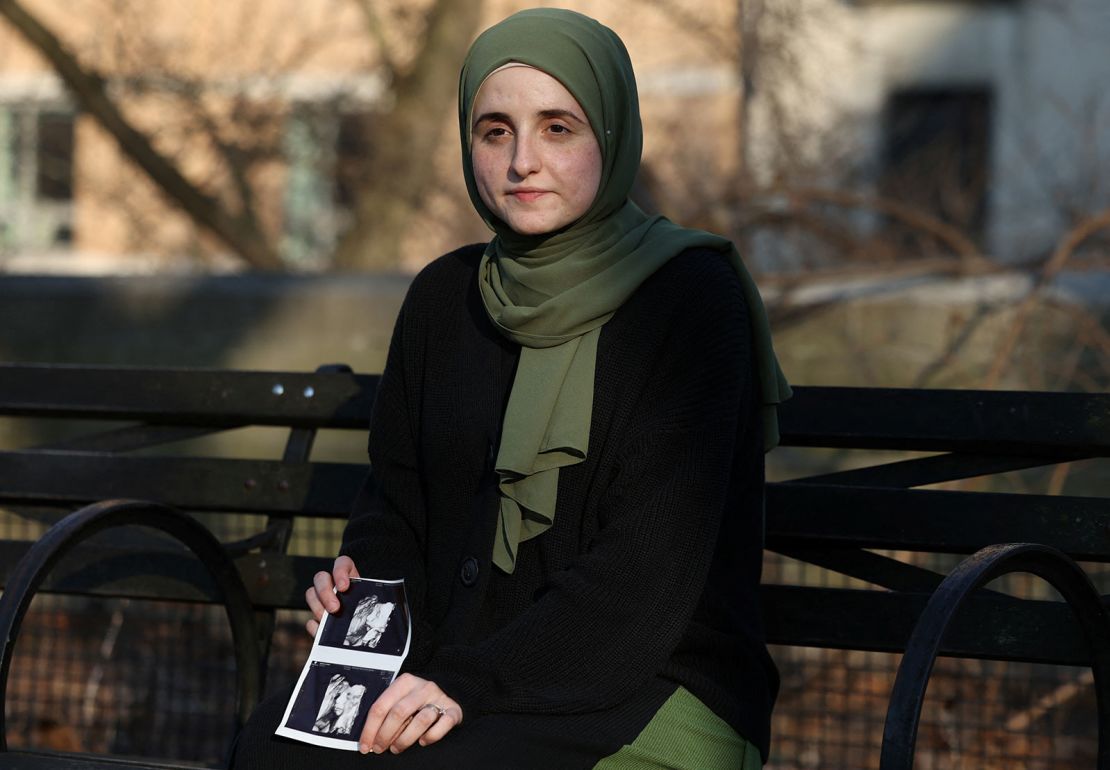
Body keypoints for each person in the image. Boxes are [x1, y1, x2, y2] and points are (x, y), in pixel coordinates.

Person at [232, 8, 789, 769]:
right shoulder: (443, 297)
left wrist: (464, 682)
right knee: (273, 750)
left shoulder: (690, 298)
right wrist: (363, 605)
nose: (523, 159)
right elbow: (396, 506)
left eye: (558, 128)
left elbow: (646, 568)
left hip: (652, 681)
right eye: (495, 131)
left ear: (614, 135)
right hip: (459, 674)